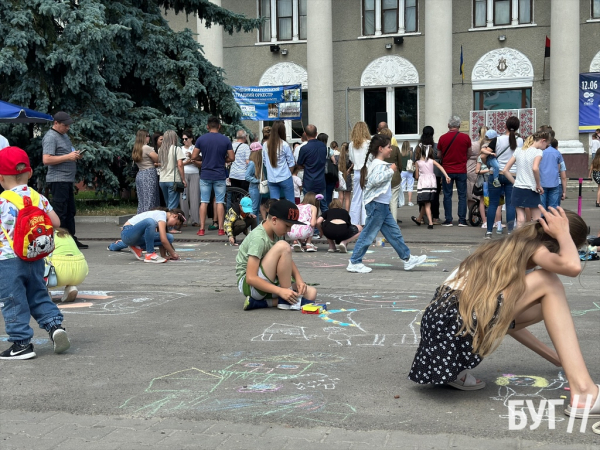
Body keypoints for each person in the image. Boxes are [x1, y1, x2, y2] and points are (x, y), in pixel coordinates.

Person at [409, 207, 600, 424]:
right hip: (457, 323)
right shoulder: (533, 248)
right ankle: (584, 391)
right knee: (549, 281)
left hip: (443, 336)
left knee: (540, 306)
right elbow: (573, 267)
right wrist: (564, 232)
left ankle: (456, 371)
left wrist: (554, 357)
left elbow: (505, 321)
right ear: (558, 244)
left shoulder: (507, 246)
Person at [0, 146, 70, 359]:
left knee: (13, 299)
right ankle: (55, 327)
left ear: (1, 177)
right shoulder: (37, 197)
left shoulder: (3, 201)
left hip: (8, 260)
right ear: (29, 173)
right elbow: (57, 222)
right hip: (35, 257)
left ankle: (21, 344)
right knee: (38, 294)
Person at [346, 135, 428, 273]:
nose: (391, 149)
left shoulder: (377, 163)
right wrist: (391, 170)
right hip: (377, 205)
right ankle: (354, 261)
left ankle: (407, 259)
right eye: (389, 147)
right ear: (380, 149)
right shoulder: (378, 165)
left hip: (381, 205)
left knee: (394, 233)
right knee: (368, 234)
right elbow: (374, 181)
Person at [235, 199, 318, 311]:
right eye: (287, 226)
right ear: (274, 220)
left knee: (311, 293)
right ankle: (285, 300)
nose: (289, 230)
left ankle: (263, 303)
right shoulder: (258, 238)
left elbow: (287, 259)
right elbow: (250, 278)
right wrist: (281, 291)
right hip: (251, 286)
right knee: (283, 246)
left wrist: (299, 280)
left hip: (267, 279)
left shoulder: (276, 232)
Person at [42, 111, 88, 249]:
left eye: (68, 125)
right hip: (58, 180)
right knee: (60, 211)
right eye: (65, 125)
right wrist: (68, 157)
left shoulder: (64, 136)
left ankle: (71, 238)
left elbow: (67, 154)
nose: (67, 127)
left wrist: (75, 155)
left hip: (67, 179)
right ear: (56, 123)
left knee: (70, 211)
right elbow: (46, 159)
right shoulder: (51, 137)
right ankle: (60, 242)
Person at [191, 116, 235, 236]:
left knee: (204, 201)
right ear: (219, 126)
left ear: (207, 126)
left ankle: (201, 229)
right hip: (220, 174)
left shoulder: (201, 139)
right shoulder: (225, 140)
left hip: (205, 174)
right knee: (220, 202)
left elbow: (194, 157)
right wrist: (222, 159)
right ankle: (221, 229)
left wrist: (204, 158)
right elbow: (232, 158)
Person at [485, 116, 523, 238]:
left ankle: (489, 231)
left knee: (493, 204)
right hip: (512, 175)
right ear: (518, 127)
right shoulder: (521, 141)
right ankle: (511, 231)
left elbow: (486, 153)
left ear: (505, 126)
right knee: (511, 204)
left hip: (495, 175)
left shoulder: (497, 139)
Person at [502, 131, 547, 229]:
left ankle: (519, 239)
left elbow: (505, 170)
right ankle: (534, 240)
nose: (546, 147)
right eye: (546, 144)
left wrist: (515, 182)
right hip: (531, 188)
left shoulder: (518, 151)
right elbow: (535, 168)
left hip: (518, 188)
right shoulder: (538, 152)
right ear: (543, 141)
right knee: (536, 218)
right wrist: (538, 185)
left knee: (520, 219)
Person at [437, 115, 472, 227]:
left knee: (447, 195)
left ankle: (448, 220)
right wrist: (462, 159)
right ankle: (462, 220)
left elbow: (439, 154)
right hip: (461, 169)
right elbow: (469, 153)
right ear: (459, 125)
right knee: (462, 195)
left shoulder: (442, 138)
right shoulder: (466, 137)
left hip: (447, 170)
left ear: (448, 125)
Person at [120, 208, 184, 263]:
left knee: (169, 237)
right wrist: (173, 253)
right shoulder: (161, 215)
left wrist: (164, 256)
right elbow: (163, 240)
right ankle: (150, 254)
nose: (173, 226)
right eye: (176, 223)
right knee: (150, 221)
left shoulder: (162, 218)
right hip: (127, 233)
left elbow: (162, 238)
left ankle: (137, 247)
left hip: (136, 237)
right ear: (175, 216)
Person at [411, 144, 451, 229]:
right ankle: (418, 219)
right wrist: (446, 176)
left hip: (423, 184)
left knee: (426, 203)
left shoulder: (417, 163)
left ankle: (430, 222)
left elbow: (417, 176)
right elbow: (440, 166)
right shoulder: (431, 161)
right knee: (425, 202)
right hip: (432, 183)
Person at [48, 227, 89, 303]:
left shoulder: (42, 234)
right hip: (80, 271)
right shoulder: (65, 234)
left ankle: (43, 293)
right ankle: (71, 287)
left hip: (57, 274)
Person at [262, 121, 295, 203]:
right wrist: (289, 173)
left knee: (274, 205)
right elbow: (291, 162)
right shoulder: (284, 145)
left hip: (272, 178)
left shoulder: (265, 145)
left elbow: (265, 162)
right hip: (285, 176)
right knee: (290, 203)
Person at [297, 125, 327, 213]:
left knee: (308, 207)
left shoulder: (304, 148)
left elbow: (299, 164)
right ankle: (326, 224)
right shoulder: (323, 146)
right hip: (321, 180)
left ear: (305, 134)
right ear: (316, 134)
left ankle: (310, 225)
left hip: (309, 180)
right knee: (324, 206)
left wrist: (306, 166)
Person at [348, 122, 371, 226]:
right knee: (367, 197)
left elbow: (351, 159)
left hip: (357, 171)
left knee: (356, 197)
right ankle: (366, 220)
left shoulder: (351, 144)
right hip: (367, 171)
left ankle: (354, 221)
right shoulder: (369, 143)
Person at [132, 129, 160, 214]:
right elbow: (158, 159)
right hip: (149, 174)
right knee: (150, 200)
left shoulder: (136, 148)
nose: (149, 138)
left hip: (140, 174)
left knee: (142, 202)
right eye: (148, 136)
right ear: (144, 137)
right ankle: (148, 220)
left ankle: (140, 219)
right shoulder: (146, 148)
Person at [157, 130, 187, 210]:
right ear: (174, 138)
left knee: (168, 204)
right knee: (173, 206)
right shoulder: (176, 149)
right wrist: (183, 179)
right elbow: (180, 164)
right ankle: (169, 222)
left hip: (162, 180)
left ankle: (167, 220)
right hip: (173, 180)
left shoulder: (160, 150)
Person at [538, 130, 566, 210]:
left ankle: (542, 221)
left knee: (542, 208)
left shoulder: (539, 152)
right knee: (553, 208)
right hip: (554, 183)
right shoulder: (557, 153)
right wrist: (564, 191)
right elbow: (560, 169)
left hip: (542, 183)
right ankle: (552, 221)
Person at [380, 128, 403, 223]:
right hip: (394, 177)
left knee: (382, 201)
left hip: (382, 176)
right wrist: (398, 172)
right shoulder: (395, 149)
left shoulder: (379, 149)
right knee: (393, 201)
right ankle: (393, 223)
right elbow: (400, 164)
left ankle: (382, 221)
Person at [180, 130, 200, 226]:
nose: (184, 141)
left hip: (194, 173)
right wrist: (186, 162)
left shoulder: (195, 148)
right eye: (183, 139)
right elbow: (178, 164)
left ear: (191, 139)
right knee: (184, 198)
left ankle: (195, 220)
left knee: (194, 197)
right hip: (184, 173)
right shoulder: (180, 149)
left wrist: (192, 158)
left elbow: (200, 162)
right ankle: (184, 220)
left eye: (186, 139)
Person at [246, 142, 267, 217]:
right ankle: (252, 226)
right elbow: (247, 176)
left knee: (256, 209)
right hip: (254, 188)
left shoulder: (259, 163)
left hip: (258, 188)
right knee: (254, 209)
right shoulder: (252, 163)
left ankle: (256, 226)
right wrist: (258, 181)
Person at [318, 133, 337, 207]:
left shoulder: (317, 150)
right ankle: (328, 210)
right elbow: (334, 162)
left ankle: (322, 209)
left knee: (321, 194)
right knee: (329, 194)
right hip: (329, 175)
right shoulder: (329, 150)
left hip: (320, 174)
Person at [335, 142, 353, 211]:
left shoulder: (337, 157)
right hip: (347, 176)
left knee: (341, 197)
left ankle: (339, 212)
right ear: (348, 149)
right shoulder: (349, 157)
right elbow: (353, 164)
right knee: (347, 197)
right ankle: (346, 213)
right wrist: (350, 169)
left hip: (339, 177)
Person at [400, 141, 415, 207]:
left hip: (402, 171)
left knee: (402, 187)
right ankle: (409, 201)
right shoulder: (411, 153)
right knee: (410, 186)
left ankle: (402, 201)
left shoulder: (400, 154)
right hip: (410, 171)